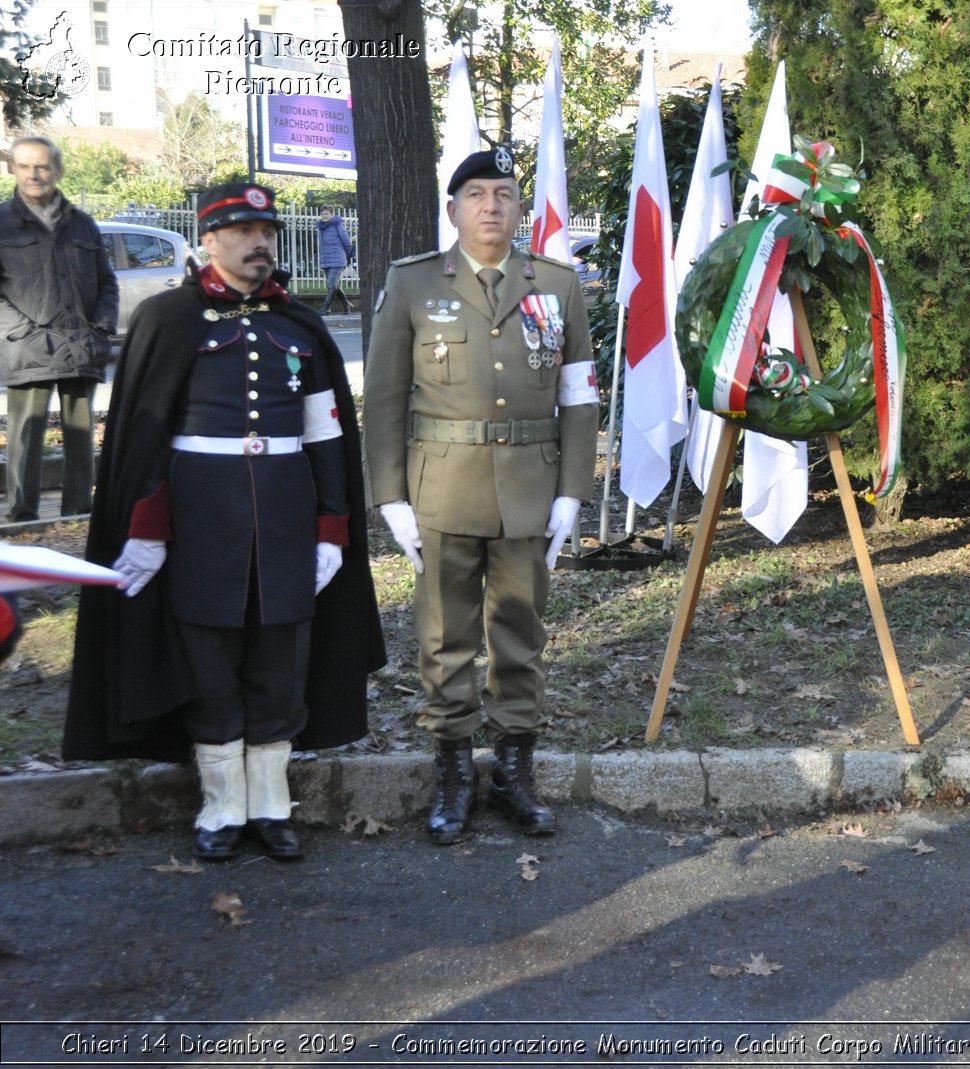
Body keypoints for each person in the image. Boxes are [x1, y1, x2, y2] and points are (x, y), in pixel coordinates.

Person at [63, 182, 385, 862]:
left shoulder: (299, 323)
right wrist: (148, 528)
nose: (258, 240)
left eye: (265, 228)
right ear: (207, 239)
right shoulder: (169, 319)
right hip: (201, 522)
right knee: (208, 662)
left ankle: (270, 803)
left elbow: (327, 432)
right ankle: (221, 804)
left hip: (286, 520)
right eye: (239, 229)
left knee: (279, 662)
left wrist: (333, 525)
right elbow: (144, 434)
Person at [364, 148, 599, 845]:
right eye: (476, 194)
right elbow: (381, 400)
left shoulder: (556, 285)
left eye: (503, 194)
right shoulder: (411, 285)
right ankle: (454, 770)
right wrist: (390, 496)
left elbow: (579, 395)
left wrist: (572, 493)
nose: (490, 206)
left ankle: (514, 772)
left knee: (521, 631)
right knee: (444, 635)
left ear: (520, 208)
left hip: (530, 485)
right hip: (442, 486)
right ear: (453, 210)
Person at [0, 135, 118, 522]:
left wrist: (100, 328)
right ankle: (22, 516)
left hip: (81, 344)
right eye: (25, 166)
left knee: (80, 433)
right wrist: (24, 333)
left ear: (58, 171)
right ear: (13, 169)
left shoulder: (83, 225)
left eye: (43, 166)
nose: (34, 174)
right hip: (27, 347)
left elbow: (107, 283)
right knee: (25, 433)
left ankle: (78, 512)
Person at [316, 205, 354, 315]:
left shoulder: (338, 225)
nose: (324, 215)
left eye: (327, 213)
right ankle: (346, 304)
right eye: (322, 213)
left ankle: (326, 308)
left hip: (338, 259)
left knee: (331, 284)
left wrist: (345, 256)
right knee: (333, 285)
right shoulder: (321, 228)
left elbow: (347, 242)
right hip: (326, 260)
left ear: (332, 215)